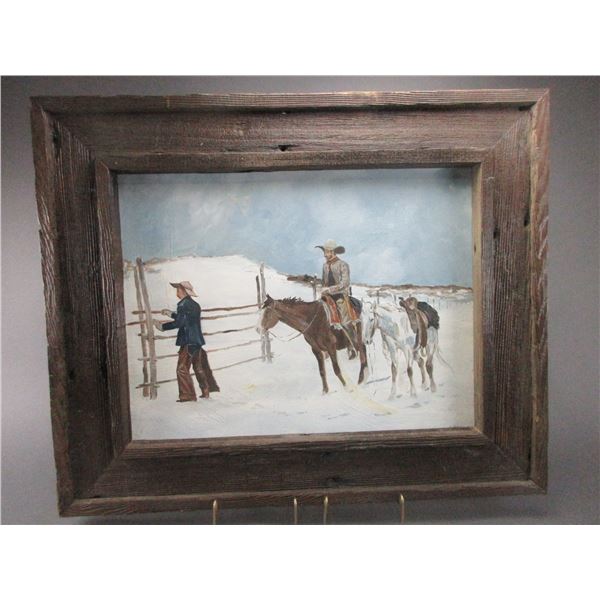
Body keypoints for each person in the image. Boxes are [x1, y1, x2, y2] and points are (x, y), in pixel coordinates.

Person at [153, 281, 219, 402]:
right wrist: (171, 314)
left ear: (183, 291)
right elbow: (185, 318)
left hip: (187, 340)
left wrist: (162, 327)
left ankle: (188, 395)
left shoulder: (183, 304)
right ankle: (206, 391)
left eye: (178, 289)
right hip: (196, 340)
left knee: (182, 369)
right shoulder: (195, 305)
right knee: (198, 367)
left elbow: (180, 322)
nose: (177, 292)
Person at [315, 239, 361, 335]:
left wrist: (330, 289)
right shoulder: (325, 266)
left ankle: (351, 339)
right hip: (327, 296)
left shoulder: (343, 264)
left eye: (327, 252)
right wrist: (321, 287)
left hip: (340, 295)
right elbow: (324, 282)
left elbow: (345, 282)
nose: (325, 255)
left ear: (333, 252)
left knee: (345, 322)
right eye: (324, 252)